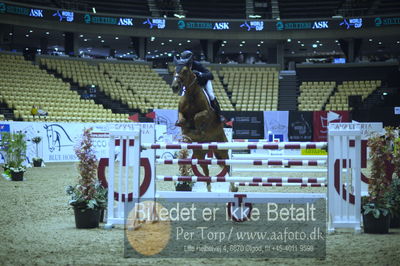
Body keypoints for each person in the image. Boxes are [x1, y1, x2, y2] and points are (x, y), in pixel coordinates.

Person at [180, 50, 223, 120]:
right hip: (191, 86)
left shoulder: (197, 65)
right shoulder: (183, 68)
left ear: (190, 60)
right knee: (182, 97)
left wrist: (200, 74)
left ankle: (218, 115)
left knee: (211, 95)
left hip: (203, 83)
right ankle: (181, 118)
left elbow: (210, 75)